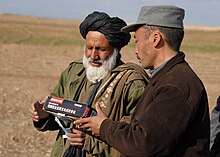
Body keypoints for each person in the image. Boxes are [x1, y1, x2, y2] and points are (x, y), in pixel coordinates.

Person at [74, 5, 210, 157]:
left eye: (137, 41)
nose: (135, 50)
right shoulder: (165, 77)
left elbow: (144, 144)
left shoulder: (176, 85)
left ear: (156, 39)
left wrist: (104, 127)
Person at [29, 11, 149, 157]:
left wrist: (90, 141)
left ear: (116, 50)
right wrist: (44, 115)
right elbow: (59, 114)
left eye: (101, 49)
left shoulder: (131, 83)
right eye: (89, 48)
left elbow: (135, 139)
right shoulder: (74, 72)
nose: (93, 56)